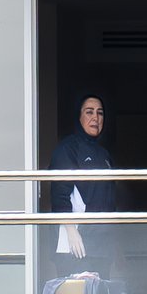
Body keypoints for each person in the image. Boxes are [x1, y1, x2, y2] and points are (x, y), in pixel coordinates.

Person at [49, 94, 115, 279]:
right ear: (79, 117)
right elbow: (59, 193)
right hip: (76, 244)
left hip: (102, 246)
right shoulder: (68, 149)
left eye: (100, 113)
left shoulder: (104, 155)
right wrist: (71, 231)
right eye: (89, 112)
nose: (96, 117)